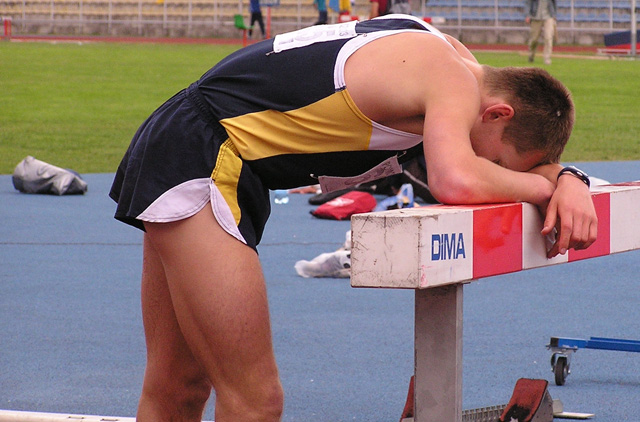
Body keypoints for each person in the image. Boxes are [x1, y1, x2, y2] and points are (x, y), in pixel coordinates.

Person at [109, 15, 597, 422]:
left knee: (177, 385)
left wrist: (569, 179)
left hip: (195, 144)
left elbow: (491, 168)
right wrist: (544, 189)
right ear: (497, 114)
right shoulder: (453, 80)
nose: (494, 172)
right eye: (499, 162)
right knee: (255, 402)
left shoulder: (446, 57)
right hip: (203, 155)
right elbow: (455, 180)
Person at [525, 0, 557, 65]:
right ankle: (531, 55)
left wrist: (554, 14)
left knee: (548, 37)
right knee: (534, 39)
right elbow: (528, 3)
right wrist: (528, 15)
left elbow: (554, 2)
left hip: (548, 16)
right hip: (535, 17)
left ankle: (547, 58)